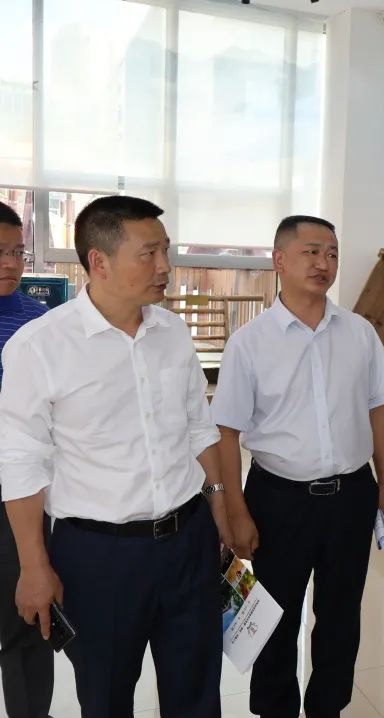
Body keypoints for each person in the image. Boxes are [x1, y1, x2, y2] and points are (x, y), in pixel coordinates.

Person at [0, 195, 231, 717]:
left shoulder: (172, 332)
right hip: (99, 557)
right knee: (105, 696)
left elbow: (199, 427)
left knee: (197, 692)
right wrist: (34, 566)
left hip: (188, 542)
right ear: (99, 261)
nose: (165, 266)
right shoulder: (40, 346)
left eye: (166, 251)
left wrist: (220, 509)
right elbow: (20, 462)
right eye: (149, 253)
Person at [211, 215, 384, 718]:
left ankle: (328, 707)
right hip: (279, 499)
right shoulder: (250, 342)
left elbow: (379, 409)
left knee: (341, 614)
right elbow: (227, 432)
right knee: (275, 616)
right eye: (312, 252)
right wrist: (235, 509)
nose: (324, 264)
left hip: (351, 495)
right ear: (279, 260)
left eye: (332, 254)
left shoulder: (359, 333)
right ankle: (274, 708)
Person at [0, 201, 51, 718]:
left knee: (28, 617)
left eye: (17, 252)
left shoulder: (40, 323)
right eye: (0, 252)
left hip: (22, 496)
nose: (11, 264)